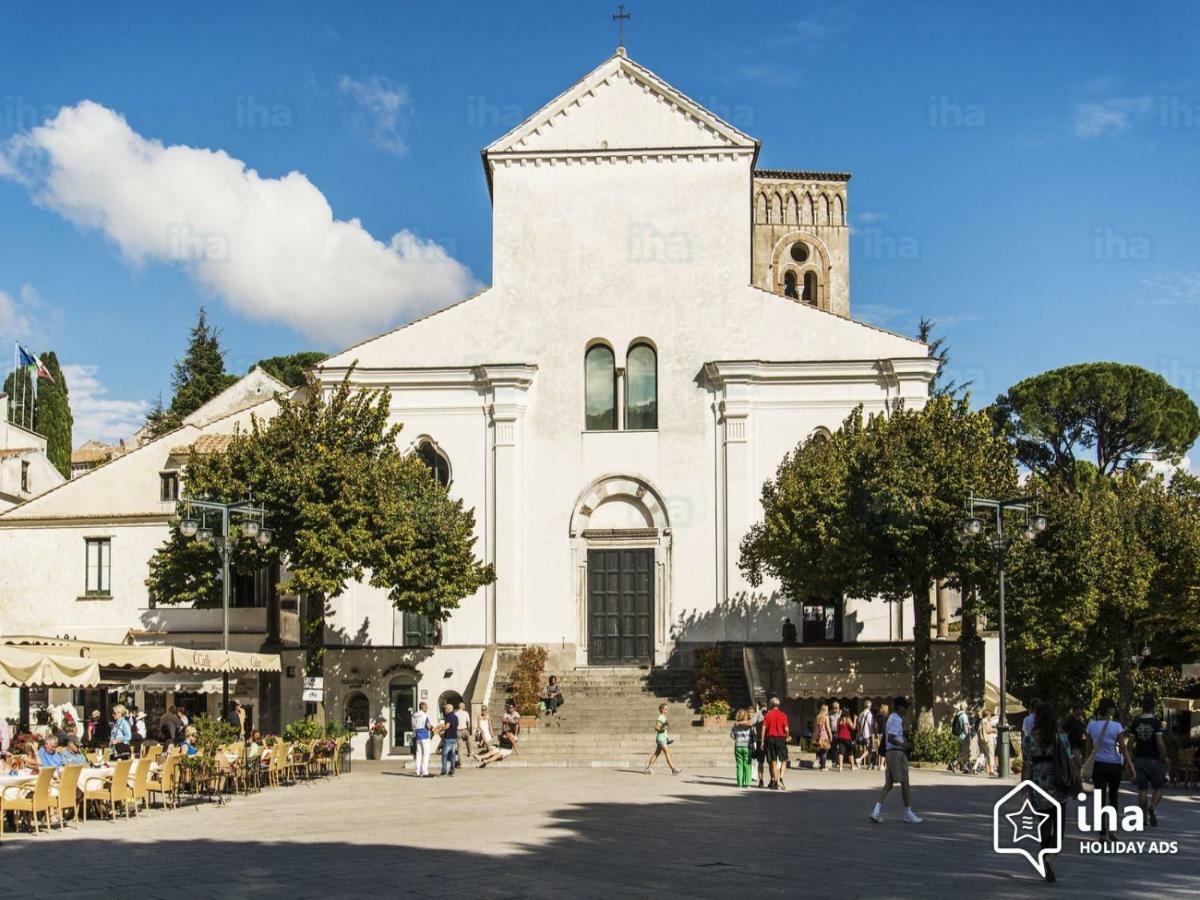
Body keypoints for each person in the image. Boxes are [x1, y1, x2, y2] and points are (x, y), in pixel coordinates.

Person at [1022, 701, 1070, 883]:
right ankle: (1051, 857)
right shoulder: (1061, 738)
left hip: (1038, 788)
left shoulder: (1029, 740)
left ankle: (1044, 860)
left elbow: (1026, 767)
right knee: (1059, 829)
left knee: (1044, 827)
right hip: (1058, 787)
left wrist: (1024, 789)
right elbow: (1071, 762)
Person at [871, 696, 922, 824]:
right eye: (905, 707)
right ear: (899, 707)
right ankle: (908, 812)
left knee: (888, 784)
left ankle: (876, 811)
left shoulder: (892, 718)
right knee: (905, 783)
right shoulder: (896, 719)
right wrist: (904, 745)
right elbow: (892, 738)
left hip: (890, 754)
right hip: (896, 754)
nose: (906, 709)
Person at [1085, 697, 1125, 837]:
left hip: (1098, 764)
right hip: (1115, 765)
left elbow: (1089, 748)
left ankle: (1102, 831)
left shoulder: (1091, 726)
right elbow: (1122, 748)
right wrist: (1129, 764)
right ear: (1109, 709)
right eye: (1113, 707)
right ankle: (1112, 830)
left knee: (1099, 798)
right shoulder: (1117, 726)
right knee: (1113, 797)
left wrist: (1086, 763)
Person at [1127, 693, 1169, 827]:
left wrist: (1129, 759)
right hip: (1154, 761)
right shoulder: (1156, 723)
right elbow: (1160, 743)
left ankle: (1143, 817)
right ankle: (1153, 807)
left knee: (1142, 790)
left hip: (1139, 759)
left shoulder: (1136, 722)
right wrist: (1165, 756)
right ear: (1153, 707)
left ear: (1142, 707)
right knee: (1159, 787)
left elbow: (1130, 743)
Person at [761, 697, 790, 790]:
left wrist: (762, 741)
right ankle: (781, 777)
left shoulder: (767, 715)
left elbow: (763, 729)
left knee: (772, 761)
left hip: (770, 739)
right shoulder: (783, 715)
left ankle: (775, 780)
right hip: (781, 739)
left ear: (771, 704)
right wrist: (787, 735)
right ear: (778, 705)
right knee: (784, 759)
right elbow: (786, 730)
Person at [644, 702, 680, 775]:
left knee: (657, 753)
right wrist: (663, 729)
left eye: (667, 709)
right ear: (662, 709)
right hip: (661, 739)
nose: (667, 710)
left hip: (662, 738)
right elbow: (656, 727)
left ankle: (648, 768)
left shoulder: (664, 717)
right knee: (667, 753)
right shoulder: (660, 717)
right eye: (666, 709)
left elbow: (664, 729)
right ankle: (673, 769)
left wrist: (667, 737)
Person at [730, 708, 756, 787]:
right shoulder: (750, 726)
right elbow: (753, 736)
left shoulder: (735, 726)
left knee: (739, 765)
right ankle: (747, 783)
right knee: (747, 765)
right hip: (747, 747)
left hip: (738, 746)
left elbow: (732, 736)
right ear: (745, 716)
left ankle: (740, 783)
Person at [1062, 701, 1085, 774]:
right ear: (1074, 710)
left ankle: (1077, 782)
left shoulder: (1079, 722)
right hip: (1072, 747)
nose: (1080, 711)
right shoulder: (1069, 721)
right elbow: (1064, 734)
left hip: (1079, 746)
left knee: (1078, 766)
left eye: (1081, 709)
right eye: (1078, 709)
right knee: (1077, 764)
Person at [412, 701, 434, 778]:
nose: (427, 709)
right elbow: (428, 726)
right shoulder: (424, 715)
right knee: (426, 753)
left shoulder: (414, 715)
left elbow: (413, 726)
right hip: (424, 735)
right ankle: (424, 771)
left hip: (418, 736)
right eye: (426, 707)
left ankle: (417, 771)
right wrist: (433, 728)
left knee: (418, 754)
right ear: (422, 707)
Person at [438, 703, 459, 776]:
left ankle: (444, 771)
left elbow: (447, 726)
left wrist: (439, 730)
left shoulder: (449, 716)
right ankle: (452, 771)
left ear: (448, 709)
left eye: (445, 709)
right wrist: (439, 726)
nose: (444, 710)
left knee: (444, 754)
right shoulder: (456, 717)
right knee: (453, 754)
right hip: (454, 737)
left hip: (448, 737)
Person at [951, 701, 973, 773]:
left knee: (962, 753)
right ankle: (954, 763)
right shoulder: (964, 716)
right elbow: (965, 727)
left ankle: (965, 768)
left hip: (958, 736)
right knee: (966, 753)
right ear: (965, 708)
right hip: (964, 737)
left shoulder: (958, 715)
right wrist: (969, 730)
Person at [752, 702, 769, 787]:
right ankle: (773, 780)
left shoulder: (757, 714)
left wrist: (740, 723)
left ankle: (761, 780)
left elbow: (751, 723)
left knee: (760, 762)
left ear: (759, 706)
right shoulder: (770, 713)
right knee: (771, 761)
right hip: (769, 740)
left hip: (759, 740)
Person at [812, 702, 832, 771]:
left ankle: (821, 765)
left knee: (821, 750)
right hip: (824, 735)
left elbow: (814, 727)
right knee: (825, 751)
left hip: (818, 735)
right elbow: (828, 727)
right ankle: (823, 767)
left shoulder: (817, 717)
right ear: (826, 710)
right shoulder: (826, 717)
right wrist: (830, 735)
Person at [978, 706, 996, 776]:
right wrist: (994, 730)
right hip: (988, 739)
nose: (990, 716)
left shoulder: (981, 721)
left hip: (982, 740)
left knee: (986, 755)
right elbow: (988, 730)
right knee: (991, 754)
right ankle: (992, 770)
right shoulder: (986, 721)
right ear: (988, 715)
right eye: (990, 715)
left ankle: (989, 769)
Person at [855, 699, 874, 769]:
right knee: (869, 749)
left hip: (861, 734)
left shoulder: (861, 713)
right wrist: (872, 733)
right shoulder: (869, 714)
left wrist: (859, 731)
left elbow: (858, 723)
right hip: (868, 734)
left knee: (861, 749)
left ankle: (860, 764)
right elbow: (871, 725)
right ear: (870, 706)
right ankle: (863, 761)